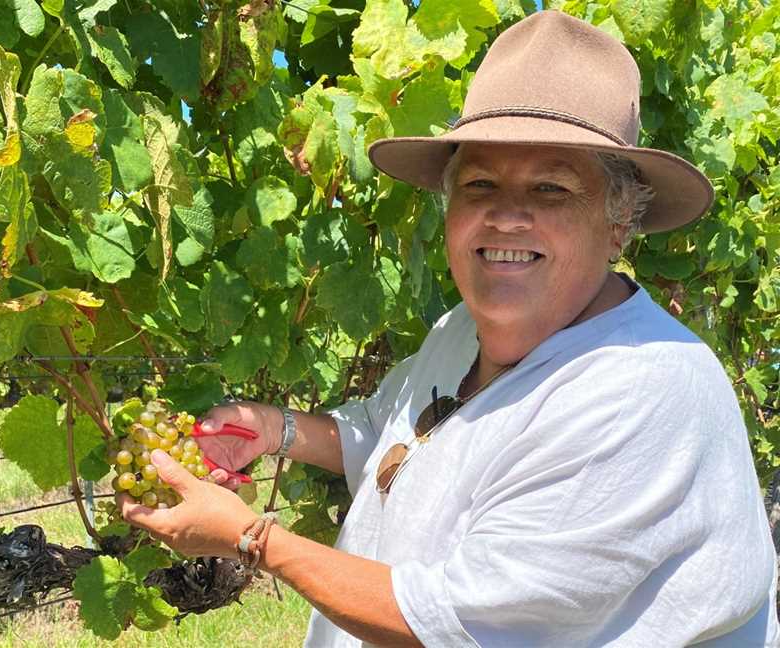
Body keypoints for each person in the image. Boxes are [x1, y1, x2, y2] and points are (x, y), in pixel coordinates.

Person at [119, 11, 779, 647]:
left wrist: (251, 538)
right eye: (481, 184)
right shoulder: (462, 330)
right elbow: (390, 434)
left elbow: (457, 627)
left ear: (619, 222)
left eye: (551, 190)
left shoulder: (642, 392)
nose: (506, 216)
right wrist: (274, 430)